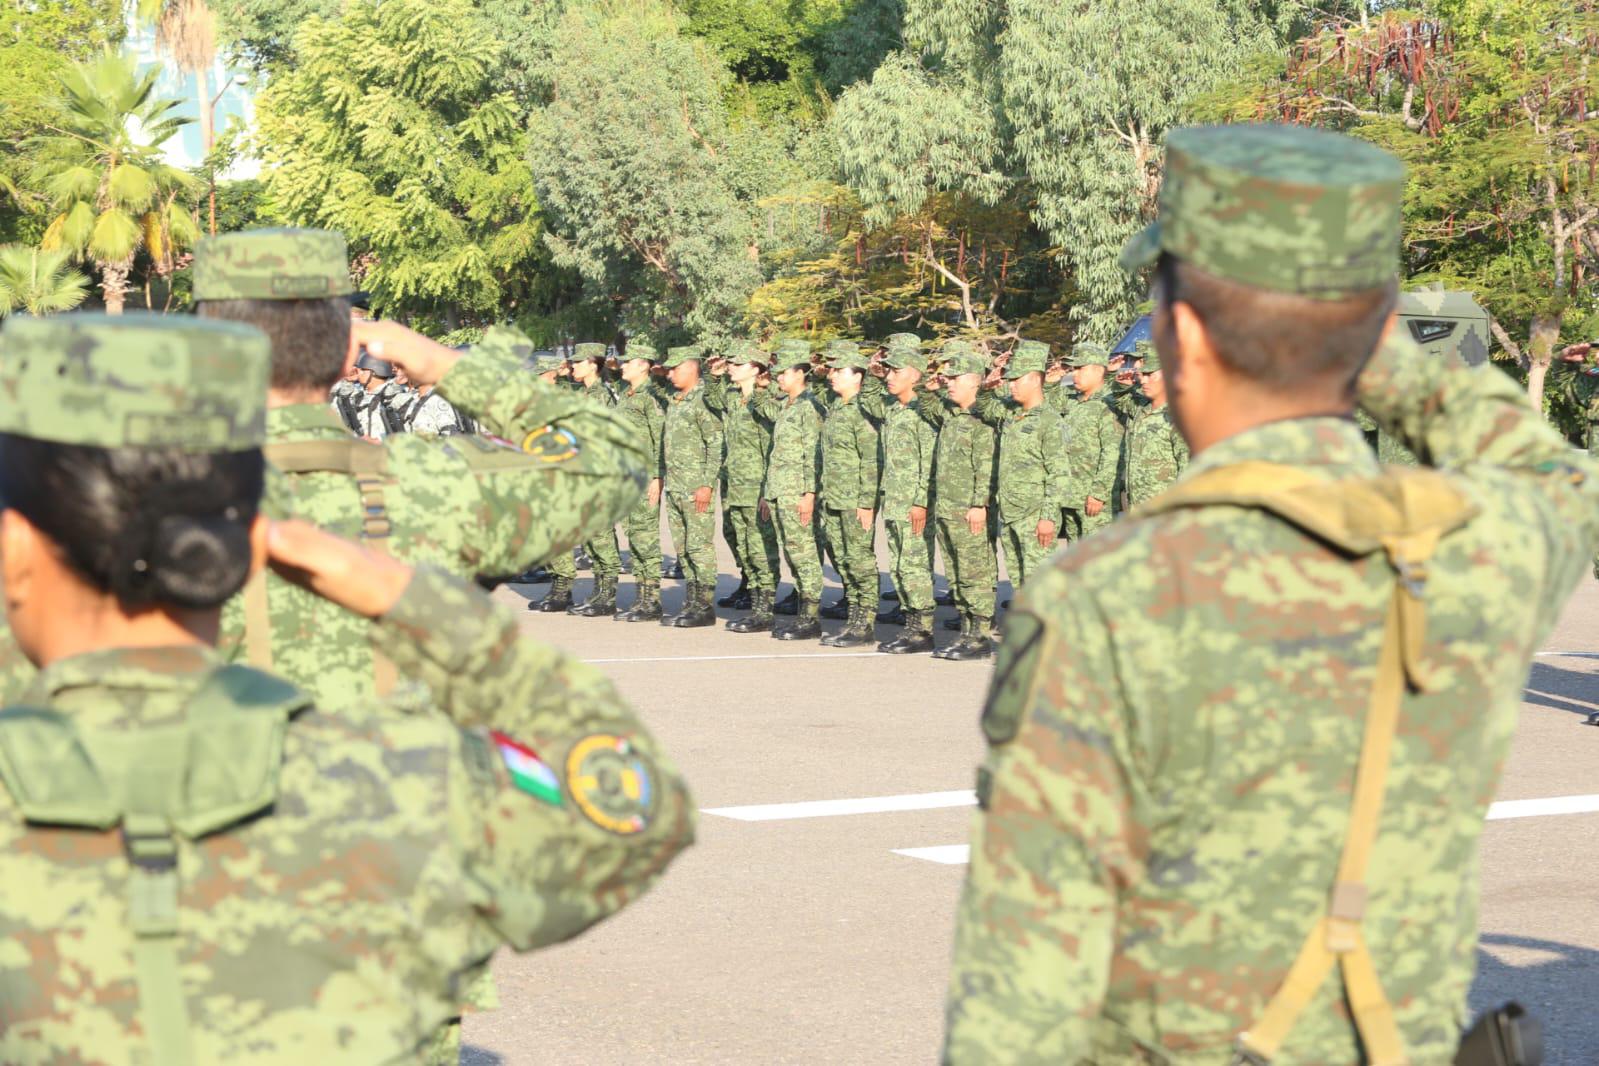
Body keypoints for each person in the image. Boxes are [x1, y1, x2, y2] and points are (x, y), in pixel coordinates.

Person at [944, 123, 1599, 1064]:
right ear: (1375, 333)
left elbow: (1023, 992)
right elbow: (1559, 480)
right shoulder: (1480, 551)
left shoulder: (1107, 593)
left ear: (1181, 339)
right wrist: (1374, 354)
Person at [0, 311, 694, 1064]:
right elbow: (634, 812)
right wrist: (420, 606)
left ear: (14, 547)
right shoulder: (397, 780)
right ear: (236, 548)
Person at [920, 340, 999, 661]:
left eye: (955, 378)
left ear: (975, 381)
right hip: (947, 508)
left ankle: (979, 636)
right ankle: (966, 631)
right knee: (955, 572)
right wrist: (931, 384)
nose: (948, 383)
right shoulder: (950, 414)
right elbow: (925, 402)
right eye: (948, 379)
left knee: (974, 573)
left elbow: (986, 466)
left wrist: (980, 504)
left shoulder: (983, 422)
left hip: (970, 510)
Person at [709, 341, 783, 634]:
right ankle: (754, 602)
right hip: (735, 483)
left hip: (757, 486)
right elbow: (712, 399)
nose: (731, 368)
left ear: (756, 369)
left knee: (761, 547)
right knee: (743, 544)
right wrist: (714, 376)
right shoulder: (733, 396)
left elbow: (775, 445)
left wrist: (769, 490)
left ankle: (765, 609)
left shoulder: (769, 399)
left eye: (737, 365)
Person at [874, 335, 939, 654]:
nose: (888, 377)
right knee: (899, 565)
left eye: (895, 371)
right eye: (888, 372)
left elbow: (929, 461)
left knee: (914, 565)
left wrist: (920, 501)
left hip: (913, 502)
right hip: (894, 499)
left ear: (915, 374)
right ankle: (910, 623)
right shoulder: (894, 409)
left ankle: (923, 629)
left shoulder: (922, 411)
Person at [992, 340, 1073, 592]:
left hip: (1034, 514)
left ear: (1036, 380)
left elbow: (1059, 473)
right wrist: (987, 386)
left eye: (1017, 379)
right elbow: (984, 406)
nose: (1011, 384)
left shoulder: (1050, 421)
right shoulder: (1013, 414)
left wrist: (1048, 517)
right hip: (1011, 511)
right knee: (1019, 581)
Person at [817, 340, 883, 647]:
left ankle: (865, 623)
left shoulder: (862, 411)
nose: (832, 375)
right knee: (843, 560)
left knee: (859, 561)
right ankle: (853, 618)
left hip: (855, 499)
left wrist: (866, 503)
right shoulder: (835, 407)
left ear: (858, 376)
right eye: (831, 370)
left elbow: (871, 460)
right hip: (833, 497)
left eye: (839, 370)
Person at [762, 340, 828, 641]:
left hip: (798, 493)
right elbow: (777, 452)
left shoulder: (809, 406)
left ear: (800, 373)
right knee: (793, 553)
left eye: (783, 373)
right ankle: (803, 612)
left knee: (804, 554)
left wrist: (809, 494)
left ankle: (811, 617)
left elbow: (813, 454)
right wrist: (767, 491)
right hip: (780, 491)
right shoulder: (787, 406)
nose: (778, 378)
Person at [660, 345, 724, 627]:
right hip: (676, 485)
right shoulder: (676, 399)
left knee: (699, 546)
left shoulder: (703, 400)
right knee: (683, 548)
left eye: (675, 368)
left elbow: (715, 444)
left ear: (690, 368)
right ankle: (692, 601)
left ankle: (705, 606)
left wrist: (707, 484)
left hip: (695, 486)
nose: (670, 374)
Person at [563, 342, 626, 617]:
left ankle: (608, 595)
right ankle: (599, 592)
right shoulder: (585, 394)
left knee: (601, 535)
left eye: (577, 362)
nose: (572, 367)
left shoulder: (602, 395)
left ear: (592, 365)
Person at [614, 342, 669, 621]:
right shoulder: (627, 393)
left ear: (644, 365)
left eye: (628, 361)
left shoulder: (651, 396)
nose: (622, 365)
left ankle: (652, 600)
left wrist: (658, 476)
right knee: (634, 536)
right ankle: (641, 596)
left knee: (646, 537)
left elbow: (660, 437)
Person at [1060, 341, 1125, 542]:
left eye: (1080, 369)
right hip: (1071, 494)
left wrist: (1099, 493)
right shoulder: (1072, 401)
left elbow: (1112, 452)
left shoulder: (1109, 402)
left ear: (1098, 371)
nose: (1075, 374)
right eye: (1073, 369)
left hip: (1094, 499)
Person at [1118, 344, 1189, 511]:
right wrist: (1122, 384)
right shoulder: (1141, 409)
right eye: (1142, 375)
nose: (1143, 380)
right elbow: (1119, 400)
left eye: (1150, 375)